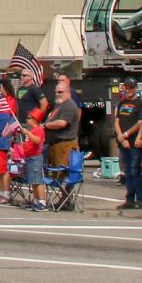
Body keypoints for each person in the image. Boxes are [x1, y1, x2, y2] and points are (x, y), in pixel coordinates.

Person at [40, 75, 81, 211]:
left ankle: (66, 200)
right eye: (56, 92)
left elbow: (62, 123)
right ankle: (64, 200)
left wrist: (45, 126)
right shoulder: (59, 105)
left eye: (60, 92)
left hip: (66, 145)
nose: (57, 94)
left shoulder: (69, 105)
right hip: (55, 145)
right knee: (58, 175)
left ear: (68, 92)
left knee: (64, 175)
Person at [110, 78, 142, 209]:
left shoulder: (141, 103)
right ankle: (129, 199)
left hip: (134, 142)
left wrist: (126, 135)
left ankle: (141, 200)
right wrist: (120, 136)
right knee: (126, 172)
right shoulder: (121, 103)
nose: (128, 90)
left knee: (135, 170)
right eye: (126, 87)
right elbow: (117, 120)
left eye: (131, 88)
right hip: (123, 142)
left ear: (136, 88)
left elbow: (140, 123)